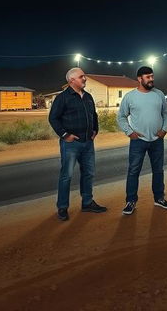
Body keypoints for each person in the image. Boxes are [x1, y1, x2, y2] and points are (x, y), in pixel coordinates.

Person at [48, 67, 107, 220]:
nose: (84, 78)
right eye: (81, 77)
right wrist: (65, 135)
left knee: (89, 173)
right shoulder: (63, 98)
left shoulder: (87, 97)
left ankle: (87, 203)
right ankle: (62, 207)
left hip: (88, 142)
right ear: (71, 80)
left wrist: (95, 130)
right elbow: (53, 118)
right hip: (71, 144)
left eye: (84, 76)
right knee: (66, 176)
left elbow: (93, 115)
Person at [117, 65, 167, 215]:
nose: (151, 79)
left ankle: (159, 198)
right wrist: (130, 133)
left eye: (152, 76)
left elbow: (166, 113)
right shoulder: (130, 97)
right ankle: (130, 202)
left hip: (157, 140)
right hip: (138, 141)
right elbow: (121, 117)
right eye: (148, 77)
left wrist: (164, 129)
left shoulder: (159, 94)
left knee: (158, 170)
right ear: (139, 79)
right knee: (133, 171)